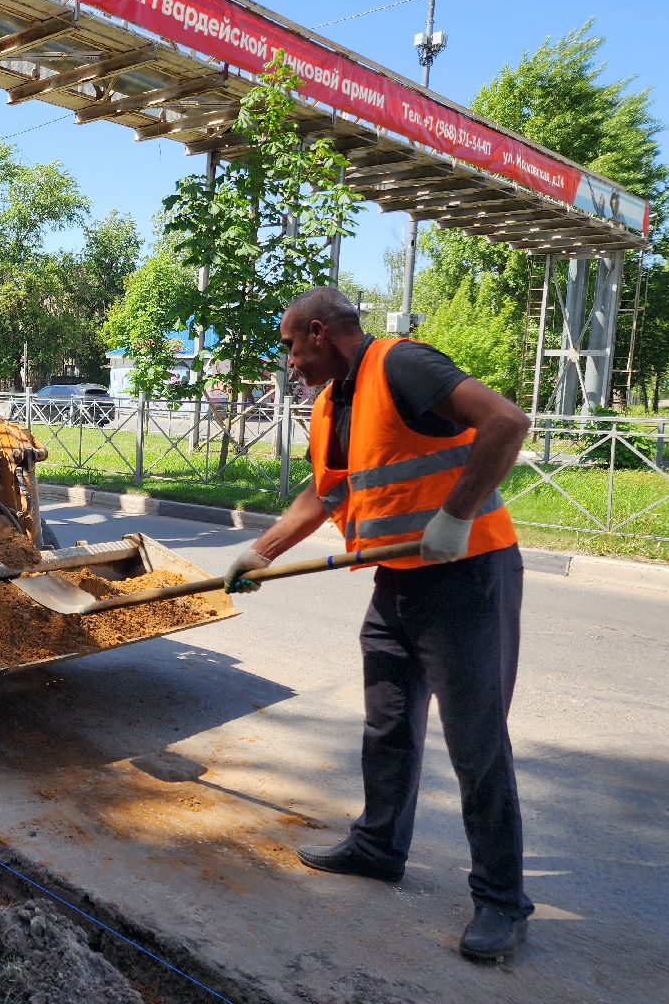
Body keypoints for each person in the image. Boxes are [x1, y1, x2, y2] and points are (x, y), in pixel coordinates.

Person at [227, 286, 532, 962]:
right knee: (388, 721)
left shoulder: (402, 365)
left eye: (288, 346)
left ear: (317, 331)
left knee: (476, 740)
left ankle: (503, 900)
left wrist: (455, 515)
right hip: (398, 581)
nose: (288, 363)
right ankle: (378, 845)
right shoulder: (336, 401)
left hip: (467, 573)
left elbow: (506, 422)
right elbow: (327, 490)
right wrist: (262, 551)